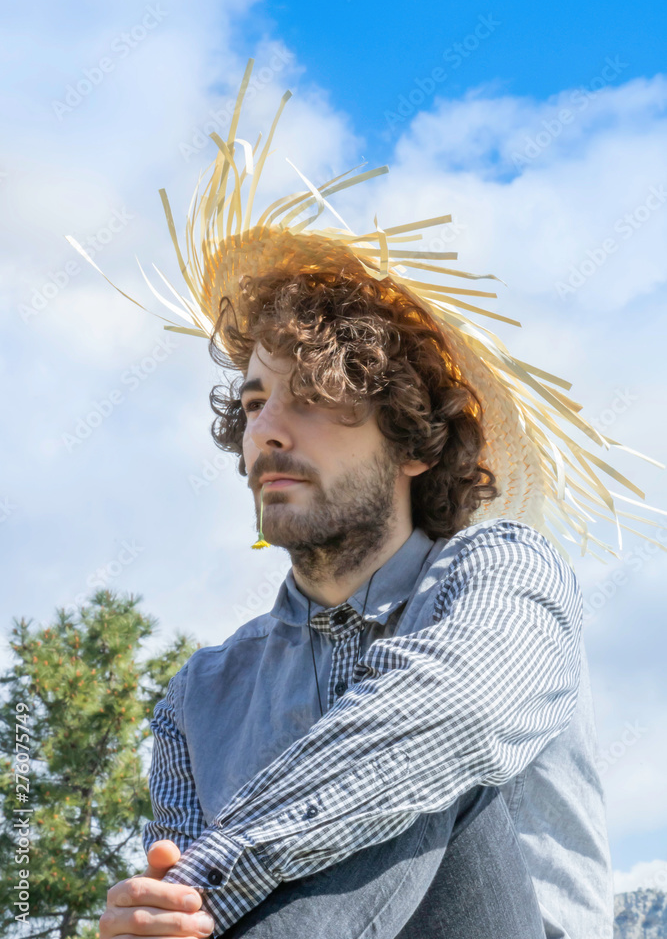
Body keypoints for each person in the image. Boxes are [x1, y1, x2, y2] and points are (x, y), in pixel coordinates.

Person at [81, 59, 662, 939]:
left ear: (412, 440)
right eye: (250, 404)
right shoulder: (196, 695)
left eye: (310, 398)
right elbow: (181, 891)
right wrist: (151, 917)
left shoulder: (504, 573)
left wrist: (213, 882)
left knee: (409, 763)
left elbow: (452, 712)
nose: (266, 430)